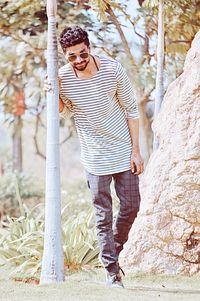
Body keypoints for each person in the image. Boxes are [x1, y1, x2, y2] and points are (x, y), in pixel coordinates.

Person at [44, 26, 144, 288]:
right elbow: (64, 111)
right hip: (95, 158)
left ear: (89, 48)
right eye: (72, 57)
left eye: (82, 54)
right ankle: (112, 273)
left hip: (123, 151)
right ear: (65, 55)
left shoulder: (112, 69)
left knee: (132, 206)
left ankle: (114, 250)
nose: (78, 60)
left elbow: (131, 110)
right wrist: (52, 91)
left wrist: (136, 150)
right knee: (103, 216)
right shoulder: (63, 77)